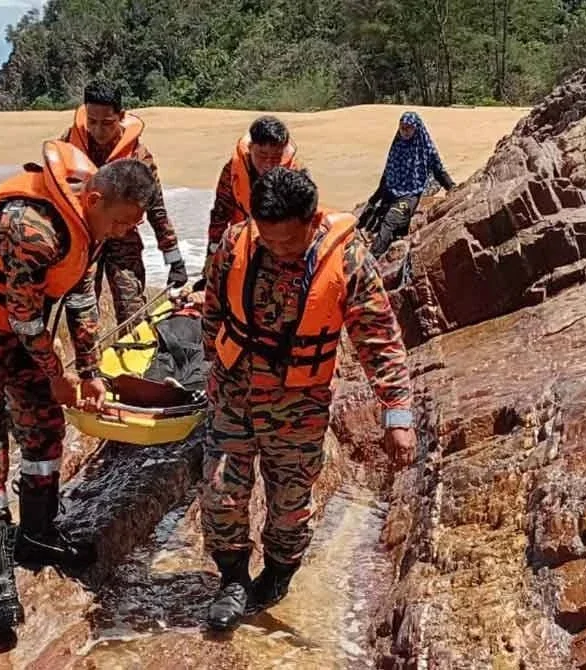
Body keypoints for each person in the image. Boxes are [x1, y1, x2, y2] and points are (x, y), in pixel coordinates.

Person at [0, 139, 156, 637]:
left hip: (22, 330)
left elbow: (79, 296)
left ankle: (36, 536)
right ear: (95, 200)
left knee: (46, 429)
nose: (122, 233)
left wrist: (91, 371)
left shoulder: (93, 222)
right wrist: (57, 375)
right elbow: (24, 317)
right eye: (121, 222)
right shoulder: (30, 227)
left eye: (131, 226)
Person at [200, 166, 416, 631]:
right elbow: (213, 310)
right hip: (235, 395)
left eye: (287, 242)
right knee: (221, 493)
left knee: (289, 501)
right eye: (268, 239)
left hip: (297, 405)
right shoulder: (235, 243)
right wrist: (211, 368)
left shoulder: (349, 260)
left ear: (311, 219)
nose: (277, 250)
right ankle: (233, 579)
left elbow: (379, 339)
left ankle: (278, 573)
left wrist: (397, 411)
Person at [59, 80, 188, 325]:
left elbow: (156, 209)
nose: (98, 131)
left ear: (120, 116)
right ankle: (89, 362)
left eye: (107, 123)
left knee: (133, 311)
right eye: (92, 121)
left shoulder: (139, 157)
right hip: (85, 237)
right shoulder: (69, 142)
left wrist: (174, 258)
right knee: (81, 312)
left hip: (122, 236)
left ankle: (136, 358)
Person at [200, 115, 299, 286]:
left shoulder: (296, 173)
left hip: (281, 247)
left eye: (276, 156)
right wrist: (212, 254)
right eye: (262, 155)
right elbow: (220, 214)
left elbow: (303, 220)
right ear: (251, 148)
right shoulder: (233, 170)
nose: (268, 164)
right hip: (242, 241)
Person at [359, 111, 455, 258]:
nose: (405, 131)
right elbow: (387, 174)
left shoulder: (425, 147)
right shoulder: (397, 145)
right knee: (370, 222)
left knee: (390, 221)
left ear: (416, 128)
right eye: (402, 127)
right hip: (391, 192)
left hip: (410, 195)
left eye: (408, 128)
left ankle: (371, 260)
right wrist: (373, 199)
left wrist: (452, 188)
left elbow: (439, 170)